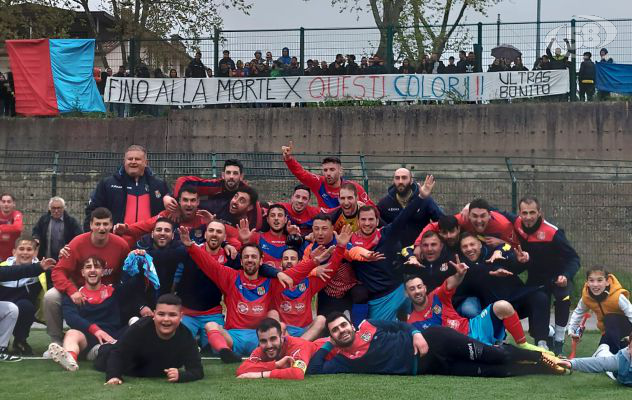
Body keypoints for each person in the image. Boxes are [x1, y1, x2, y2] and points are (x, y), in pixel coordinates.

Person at [180, 226, 334, 360]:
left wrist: (313, 262)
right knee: (211, 325)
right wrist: (191, 246)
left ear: (261, 261)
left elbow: (293, 274)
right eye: (246, 257)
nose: (250, 260)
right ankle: (226, 353)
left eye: (254, 257)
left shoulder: (270, 281)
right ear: (241, 261)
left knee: (275, 323)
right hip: (233, 337)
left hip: (259, 338)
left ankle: (292, 348)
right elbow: (210, 265)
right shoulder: (230, 276)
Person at [306, 313, 567, 377]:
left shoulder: (368, 325)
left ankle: (539, 355)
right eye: (335, 331)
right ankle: (541, 368)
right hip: (430, 367)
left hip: (436, 339)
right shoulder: (343, 360)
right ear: (333, 336)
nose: (341, 331)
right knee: (495, 372)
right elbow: (315, 369)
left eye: (343, 325)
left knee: (494, 357)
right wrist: (328, 345)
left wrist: (417, 333)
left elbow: (401, 325)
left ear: (351, 325)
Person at [403, 260, 547, 353]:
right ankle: (502, 347)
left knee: (503, 306)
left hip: (473, 327)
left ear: (425, 287)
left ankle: (522, 344)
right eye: (412, 289)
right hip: (462, 346)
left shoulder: (436, 296)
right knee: (503, 355)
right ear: (406, 293)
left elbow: (451, 282)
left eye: (419, 287)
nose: (417, 291)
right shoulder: (413, 323)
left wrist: (459, 275)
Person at [45, 208, 130, 349]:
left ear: (111, 225)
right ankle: (57, 341)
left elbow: (127, 272)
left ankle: (125, 338)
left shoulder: (121, 245)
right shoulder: (77, 243)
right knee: (51, 296)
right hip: (80, 290)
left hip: (108, 294)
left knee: (128, 295)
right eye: (97, 224)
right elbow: (58, 271)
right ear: (91, 225)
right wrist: (72, 290)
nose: (101, 228)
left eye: (105, 224)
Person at [509, 196, 580, 355]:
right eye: (524, 213)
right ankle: (544, 338)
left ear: (540, 212)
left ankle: (559, 340)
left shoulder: (553, 232)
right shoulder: (517, 225)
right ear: (519, 213)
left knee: (563, 298)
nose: (528, 217)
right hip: (536, 278)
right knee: (537, 305)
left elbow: (574, 258)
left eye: (532, 212)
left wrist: (566, 275)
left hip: (559, 276)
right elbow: (496, 213)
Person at [48, 255, 143, 371]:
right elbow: (71, 318)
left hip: (114, 337)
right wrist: (95, 330)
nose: (92, 270)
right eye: (88, 267)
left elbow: (133, 283)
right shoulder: (74, 295)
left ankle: (122, 352)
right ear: (83, 272)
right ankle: (70, 359)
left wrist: (137, 257)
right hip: (88, 341)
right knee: (72, 333)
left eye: (97, 267)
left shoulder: (114, 291)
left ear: (102, 272)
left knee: (135, 321)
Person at [93, 294, 203, 384]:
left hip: (153, 369)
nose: (166, 319)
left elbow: (197, 370)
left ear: (181, 316)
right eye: (161, 314)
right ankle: (100, 348)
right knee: (107, 353)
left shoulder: (186, 336)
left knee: (120, 345)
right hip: (127, 367)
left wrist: (182, 376)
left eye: (172, 315)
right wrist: (114, 376)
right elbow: (117, 354)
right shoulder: (140, 328)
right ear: (154, 314)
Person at [270, 226, 351, 340]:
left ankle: (297, 346)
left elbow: (330, 270)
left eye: (292, 258)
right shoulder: (273, 282)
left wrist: (341, 247)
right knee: (272, 314)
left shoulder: (308, 282)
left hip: (305, 332)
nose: (289, 261)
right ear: (280, 263)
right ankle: (295, 346)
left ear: (299, 262)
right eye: (286, 259)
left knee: (321, 319)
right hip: (282, 331)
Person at [84, 145, 170, 231]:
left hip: (149, 241)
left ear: (146, 162)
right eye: (130, 159)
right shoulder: (108, 184)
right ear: (124, 161)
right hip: (117, 238)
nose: (133, 162)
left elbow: (170, 212)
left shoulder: (159, 185)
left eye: (137, 159)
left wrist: (168, 197)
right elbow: (92, 211)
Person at [166, 159, 263, 230]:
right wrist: (175, 204)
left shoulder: (247, 192)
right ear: (223, 175)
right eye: (228, 173)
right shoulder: (215, 185)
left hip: (228, 224)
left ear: (241, 177)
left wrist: (250, 233)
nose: (231, 177)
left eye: (235, 173)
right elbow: (183, 181)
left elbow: (257, 216)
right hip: (212, 212)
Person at [0, 238, 56, 356]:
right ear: (14, 252)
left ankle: (20, 341)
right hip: (3, 307)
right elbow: (16, 272)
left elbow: (60, 277)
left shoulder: (44, 269)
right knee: (11, 308)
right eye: (21, 249)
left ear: (35, 253)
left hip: (26, 309)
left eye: (29, 249)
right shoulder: (4, 267)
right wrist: (37, 268)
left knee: (25, 307)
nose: (25, 252)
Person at [282, 141, 371, 208]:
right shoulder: (318, 183)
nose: (328, 173)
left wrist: (363, 208)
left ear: (340, 171)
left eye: (332, 170)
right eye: (325, 170)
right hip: (325, 227)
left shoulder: (354, 187)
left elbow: (372, 209)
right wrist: (289, 159)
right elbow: (301, 173)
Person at [414, 198, 517, 252]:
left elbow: (517, 248)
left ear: (489, 215)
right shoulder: (463, 219)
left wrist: (502, 243)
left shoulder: (503, 225)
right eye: (475, 216)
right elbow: (433, 226)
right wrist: (418, 245)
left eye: (483, 216)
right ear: (469, 215)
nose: (479, 220)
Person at [567, 265, 632, 352]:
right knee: (601, 352)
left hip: (627, 329)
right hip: (609, 331)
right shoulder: (586, 297)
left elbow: (631, 313)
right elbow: (578, 312)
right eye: (591, 280)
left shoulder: (618, 297)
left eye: (600, 280)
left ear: (607, 282)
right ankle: (621, 348)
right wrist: (572, 331)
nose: (595, 284)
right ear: (587, 282)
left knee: (610, 318)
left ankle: (617, 354)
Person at [377, 168, 443, 248]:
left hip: (419, 250)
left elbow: (441, 222)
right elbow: (377, 226)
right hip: (394, 252)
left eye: (404, 178)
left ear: (411, 181)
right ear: (393, 181)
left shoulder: (425, 200)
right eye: (397, 178)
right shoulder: (384, 203)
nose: (400, 181)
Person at [235, 318, 320, 380]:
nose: (269, 345)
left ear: (282, 337)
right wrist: (276, 365)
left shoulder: (299, 346)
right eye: (263, 341)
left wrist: (260, 375)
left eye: (273, 339)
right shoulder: (261, 350)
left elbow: (297, 374)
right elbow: (242, 369)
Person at [558, 336, 632, 387]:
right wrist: (572, 363)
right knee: (607, 362)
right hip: (620, 374)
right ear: (628, 347)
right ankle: (602, 349)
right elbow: (599, 364)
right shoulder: (621, 360)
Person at [32, 196, 82, 264]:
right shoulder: (44, 220)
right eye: (53, 208)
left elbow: (79, 237)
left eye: (59, 208)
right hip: (46, 259)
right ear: (49, 208)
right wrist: (36, 238)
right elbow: (36, 231)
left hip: (65, 258)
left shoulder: (71, 221)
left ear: (64, 208)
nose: (56, 211)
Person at [0, 193, 23, 261]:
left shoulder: (17, 214)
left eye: (9, 202)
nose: (6, 204)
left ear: (14, 204)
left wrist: (1, 228)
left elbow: (18, 228)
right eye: (3, 201)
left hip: (13, 255)